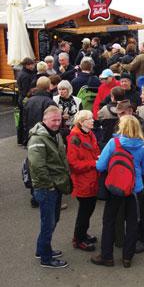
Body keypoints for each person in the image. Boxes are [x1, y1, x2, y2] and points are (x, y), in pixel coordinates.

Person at [92, 115, 144, 267]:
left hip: (115, 188)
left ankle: (107, 256)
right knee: (132, 223)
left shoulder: (114, 143)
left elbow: (100, 166)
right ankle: (127, 257)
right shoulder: (143, 145)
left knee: (109, 221)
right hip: (135, 189)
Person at [28, 106, 72, 268]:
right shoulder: (38, 139)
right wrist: (50, 185)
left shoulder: (55, 134)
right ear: (44, 120)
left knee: (53, 220)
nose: (56, 123)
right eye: (53, 120)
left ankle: (42, 250)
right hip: (46, 188)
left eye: (59, 119)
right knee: (48, 223)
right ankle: (46, 259)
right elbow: (37, 166)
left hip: (56, 185)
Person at [67, 110, 100, 252]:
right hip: (83, 181)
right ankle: (78, 239)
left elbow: (95, 151)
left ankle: (82, 234)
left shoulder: (90, 134)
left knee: (89, 209)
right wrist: (94, 163)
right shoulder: (75, 137)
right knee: (84, 211)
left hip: (92, 179)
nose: (93, 121)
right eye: (89, 119)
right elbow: (73, 164)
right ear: (81, 122)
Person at [23, 77, 57, 146]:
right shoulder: (49, 102)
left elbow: (24, 119)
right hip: (45, 135)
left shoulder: (29, 101)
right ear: (49, 86)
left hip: (31, 133)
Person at [16, 57, 36, 145]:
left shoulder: (22, 73)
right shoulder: (25, 75)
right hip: (25, 99)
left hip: (22, 98)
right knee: (25, 121)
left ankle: (20, 140)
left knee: (22, 120)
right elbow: (25, 91)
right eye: (31, 64)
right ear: (26, 65)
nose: (33, 66)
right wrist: (35, 89)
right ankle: (24, 140)